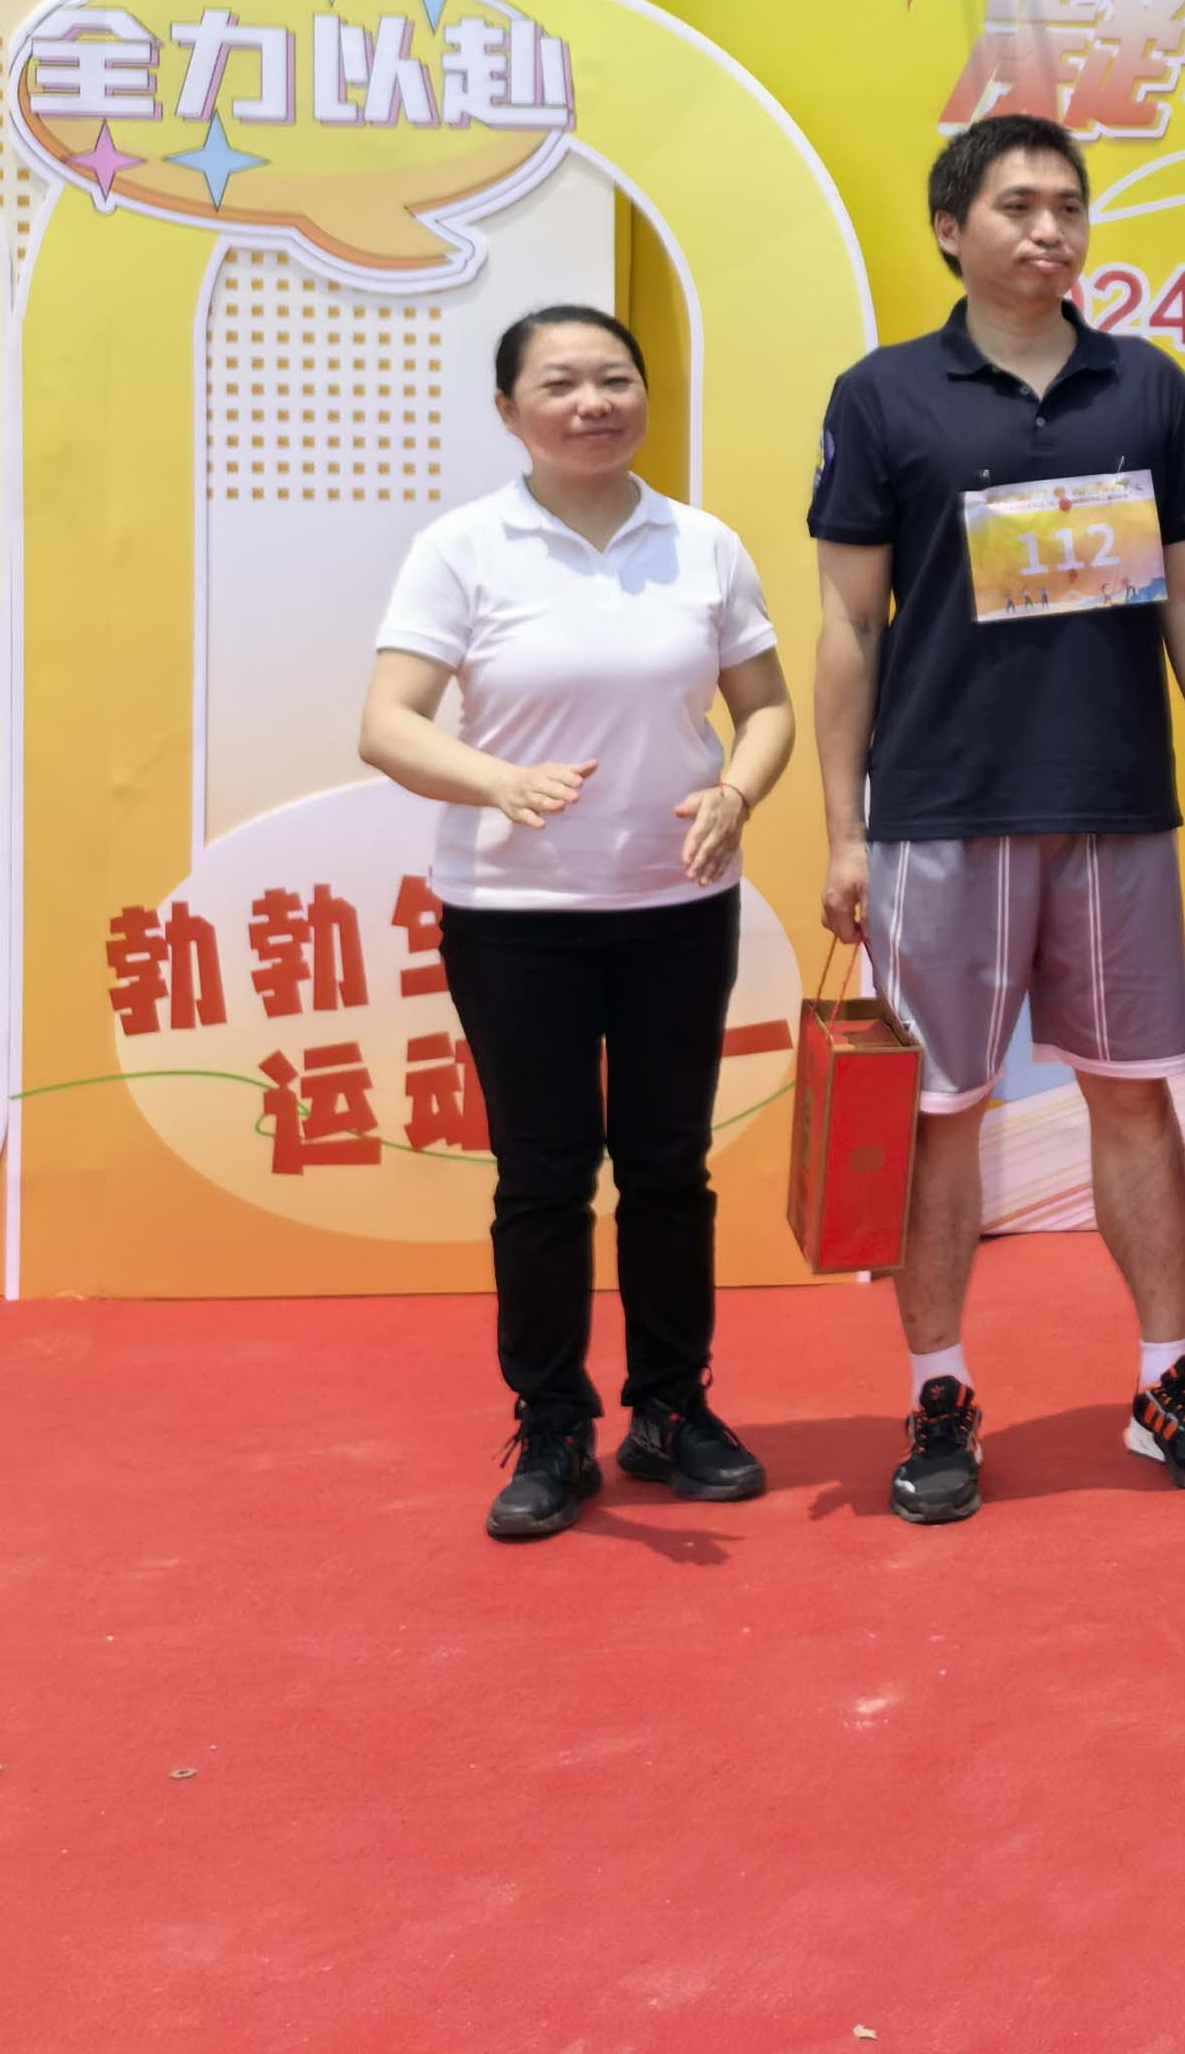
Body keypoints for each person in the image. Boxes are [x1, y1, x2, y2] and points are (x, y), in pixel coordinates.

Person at [808, 114, 1185, 1524]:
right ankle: (938, 1388)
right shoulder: (884, 395)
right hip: (939, 810)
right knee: (941, 1112)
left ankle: (1166, 1378)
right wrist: (844, 828)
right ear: (952, 230)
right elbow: (847, 623)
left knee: (1134, 1093)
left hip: (1113, 806)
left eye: (1069, 205)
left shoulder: (1147, 386)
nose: (1049, 230)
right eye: (1017, 206)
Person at [362, 306, 797, 1541]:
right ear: (510, 412)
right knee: (544, 1179)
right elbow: (387, 722)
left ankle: (671, 1407)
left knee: (668, 1168)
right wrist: (496, 782)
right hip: (517, 917)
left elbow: (765, 708)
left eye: (615, 379)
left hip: (676, 908)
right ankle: (553, 1423)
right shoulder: (463, 548)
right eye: (560, 384)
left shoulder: (701, 544)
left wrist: (737, 791)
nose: (593, 403)